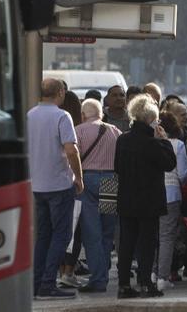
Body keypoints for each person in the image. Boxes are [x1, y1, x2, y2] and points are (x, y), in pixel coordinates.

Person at [115, 95, 177, 299]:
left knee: (127, 243)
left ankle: (123, 284)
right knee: (147, 243)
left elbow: (117, 167)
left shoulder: (122, 139)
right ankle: (144, 282)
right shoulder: (152, 143)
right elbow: (169, 164)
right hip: (149, 200)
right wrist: (165, 142)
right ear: (150, 119)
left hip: (126, 198)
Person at [28, 78, 84, 300]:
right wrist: (78, 177)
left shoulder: (30, 115)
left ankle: (36, 282)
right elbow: (71, 150)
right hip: (59, 184)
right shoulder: (62, 116)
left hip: (37, 184)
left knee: (43, 235)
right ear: (60, 92)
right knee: (62, 234)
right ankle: (48, 283)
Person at [74, 99, 122, 293]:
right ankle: (103, 272)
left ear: (84, 114)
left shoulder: (79, 131)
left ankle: (98, 278)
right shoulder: (115, 131)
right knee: (106, 231)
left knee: (91, 232)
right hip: (110, 181)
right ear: (101, 113)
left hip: (88, 181)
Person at [155, 112, 187, 291]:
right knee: (167, 237)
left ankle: (153, 272)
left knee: (153, 236)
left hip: (151, 194)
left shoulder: (150, 143)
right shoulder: (178, 145)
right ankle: (163, 276)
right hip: (171, 194)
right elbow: (183, 173)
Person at [58, 91, 84, 288]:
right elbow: (72, 152)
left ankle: (59, 271)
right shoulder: (75, 129)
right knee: (77, 229)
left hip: (57, 181)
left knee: (59, 228)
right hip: (75, 183)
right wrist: (80, 179)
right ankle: (69, 271)